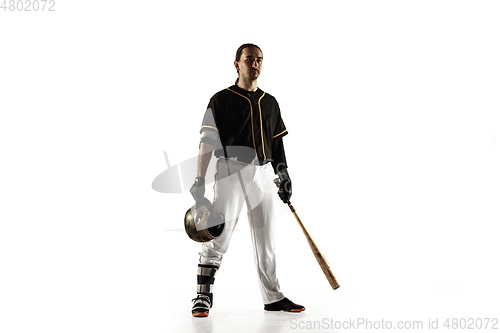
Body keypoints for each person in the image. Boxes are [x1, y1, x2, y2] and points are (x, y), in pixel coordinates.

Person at [189, 43, 305, 317]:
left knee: (267, 237)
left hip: (263, 174)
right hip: (231, 171)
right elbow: (206, 141)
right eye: (249, 59)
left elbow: (277, 144)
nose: (255, 64)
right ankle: (202, 297)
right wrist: (199, 180)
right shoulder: (220, 99)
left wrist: (284, 174)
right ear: (236, 64)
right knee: (219, 235)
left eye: (259, 60)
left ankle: (273, 297)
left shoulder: (271, 101)